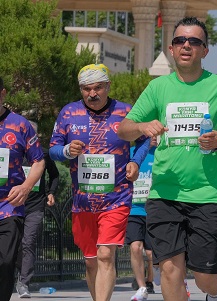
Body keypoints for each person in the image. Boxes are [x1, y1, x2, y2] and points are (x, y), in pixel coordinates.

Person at [119, 18, 217, 301]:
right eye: (180, 40)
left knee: (206, 278)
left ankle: (216, 293)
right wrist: (142, 126)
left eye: (194, 41)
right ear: (171, 48)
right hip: (165, 194)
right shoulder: (158, 88)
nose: (186, 46)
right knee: (169, 269)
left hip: (208, 193)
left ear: (205, 50)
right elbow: (123, 129)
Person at [50, 64, 149, 301]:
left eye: (97, 88)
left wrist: (135, 162)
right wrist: (66, 150)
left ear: (108, 86)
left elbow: (145, 139)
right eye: (86, 89)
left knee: (105, 255)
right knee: (91, 261)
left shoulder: (126, 111)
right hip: (83, 200)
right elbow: (53, 149)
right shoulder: (69, 113)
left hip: (117, 197)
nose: (92, 94)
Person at [0, 78, 45, 301]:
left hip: (9, 205)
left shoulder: (20, 124)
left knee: (6, 261)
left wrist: (26, 187)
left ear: (2, 94)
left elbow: (38, 161)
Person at [15, 123, 59, 299]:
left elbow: (54, 175)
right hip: (12, 205)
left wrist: (51, 193)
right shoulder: (11, 151)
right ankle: (14, 273)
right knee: (14, 244)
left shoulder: (44, 154)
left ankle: (24, 282)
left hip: (35, 206)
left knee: (29, 242)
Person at [125, 140, 156, 301]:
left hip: (153, 210)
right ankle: (141, 285)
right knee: (135, 247)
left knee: (151, 253)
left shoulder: (161, 153)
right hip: (133, 209)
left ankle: (149, 280)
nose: (154, 137)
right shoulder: (129, 152)